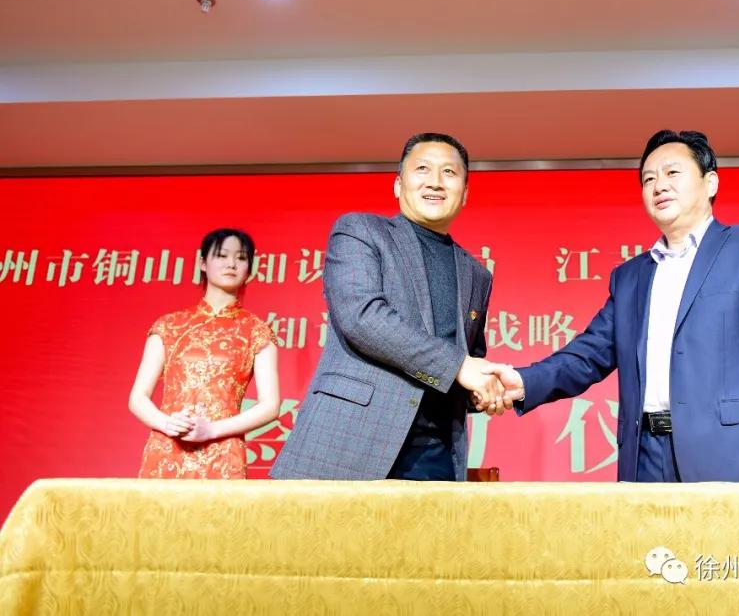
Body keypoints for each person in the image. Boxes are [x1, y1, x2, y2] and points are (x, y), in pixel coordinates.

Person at [490, 130, 739, 483]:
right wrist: (523, 381)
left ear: (710, 183)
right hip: (644, 456)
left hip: (730, 456)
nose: (659, 185)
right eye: (648, 179)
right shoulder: (630, 277)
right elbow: (589, 355)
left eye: (672, 173)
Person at [271, 133, 511, 482]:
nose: (435, 181)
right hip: (350, 439)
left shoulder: (477, 275)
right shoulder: (360, 231)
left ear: (464, 194)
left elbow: (467, 360)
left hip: (436, 452)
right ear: (398, 185)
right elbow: (362, 317)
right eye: (423, 169)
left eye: (449, 172)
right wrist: (459, 366)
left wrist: (484, 392)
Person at [130, 228, 280, 478]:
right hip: (167, 448)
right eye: (222, 255)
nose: (231, 263)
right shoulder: (169, 325)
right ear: (202, 262)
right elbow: (138, 397)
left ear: (249, 270)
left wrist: (211, 430)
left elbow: (270, 406)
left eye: (241, 258)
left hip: (223, 454)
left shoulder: (256, 331)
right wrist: (167, 423)